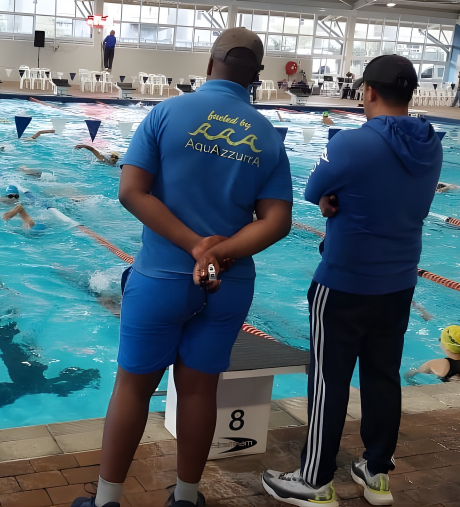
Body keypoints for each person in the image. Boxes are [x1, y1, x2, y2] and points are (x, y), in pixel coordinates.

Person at [71, 27, 294, 507]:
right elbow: (277, 222)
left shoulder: (165, 113)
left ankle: (107, 500)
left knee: (133, 387)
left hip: (161, 279)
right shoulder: (267, 136)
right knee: (199, 391)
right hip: (226, 285)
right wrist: (220, 252)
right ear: (256, 77)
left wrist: (196, 245)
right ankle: (187, 498)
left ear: (210, 65)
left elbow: (131, 191)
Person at [262, 54, 441, 507]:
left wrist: (331, 199)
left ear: (369, 92)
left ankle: (315, 480)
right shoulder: (431, 145)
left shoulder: (350, 144)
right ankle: (376, 472)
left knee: (329, 379)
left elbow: (310, 190)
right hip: (399, 282)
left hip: (344, 282)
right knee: (383, 377)